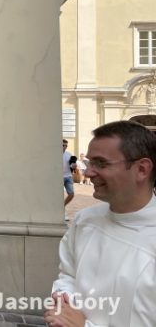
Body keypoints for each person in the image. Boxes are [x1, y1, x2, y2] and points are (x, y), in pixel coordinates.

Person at [45, 121, 156, 327]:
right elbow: (68, 274)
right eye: (89, 163)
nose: (87, 173)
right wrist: (63, 303)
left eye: (101, 163)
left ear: (142, 169)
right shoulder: (85, 221)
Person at [62, 139, 75, 206]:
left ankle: (62, 206)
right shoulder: (54, 155)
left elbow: (72, 165)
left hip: (68, 176)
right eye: (63, 145)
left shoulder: (69, 154)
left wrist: (73, 166)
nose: (64, 147)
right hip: (59, 178)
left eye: (66, 146)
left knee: (71, 194)